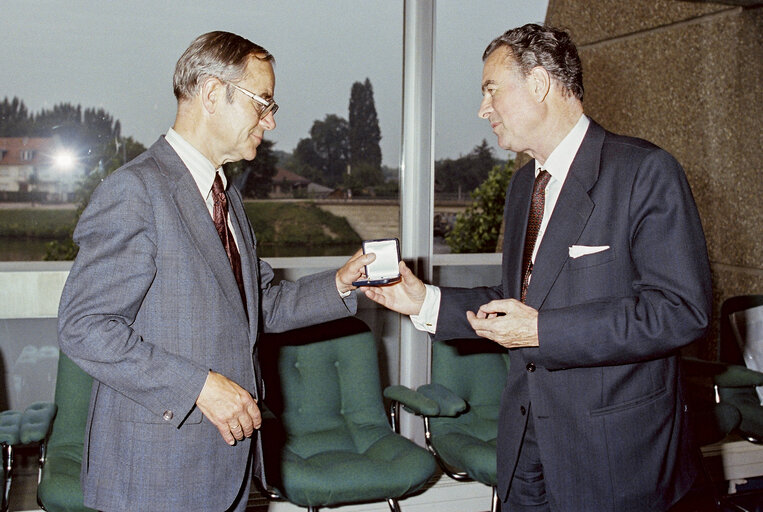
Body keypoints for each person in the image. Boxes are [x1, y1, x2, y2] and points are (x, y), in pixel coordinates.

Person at [363, 23, 712, 511]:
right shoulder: (525, 185)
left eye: (490, 90)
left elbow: (679, 311)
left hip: (615, 459)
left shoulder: (644, 172)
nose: (482, 109)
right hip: (525, 447)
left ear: (540, 84)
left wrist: (544, 330)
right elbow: (521, 303)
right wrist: (425, 301)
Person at [57, 31, 373, 512]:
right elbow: (84, 328)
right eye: (262, 103)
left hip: (223, 469)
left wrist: (340, 284)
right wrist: (200, 386)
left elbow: (255, 304)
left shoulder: (225, 198)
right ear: (211, 93)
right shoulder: (135, 192)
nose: (269, 121)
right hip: (154, 477)